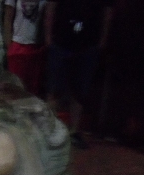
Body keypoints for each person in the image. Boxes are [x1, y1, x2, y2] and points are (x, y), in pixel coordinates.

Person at [44, 0, 114, 149]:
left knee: (80, 90)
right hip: (61, 40)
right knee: (54, 88)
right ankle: (50, 130)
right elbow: (51, 6)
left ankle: (74, 131)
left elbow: (107, 10)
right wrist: (48, 37)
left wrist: (102, 40)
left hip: (88, 44)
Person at [3, 0, 47, 96]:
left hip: (37, 47)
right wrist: (9, 46)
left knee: (34, 89)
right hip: (18, 46)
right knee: (16, 89)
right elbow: (8, 18)